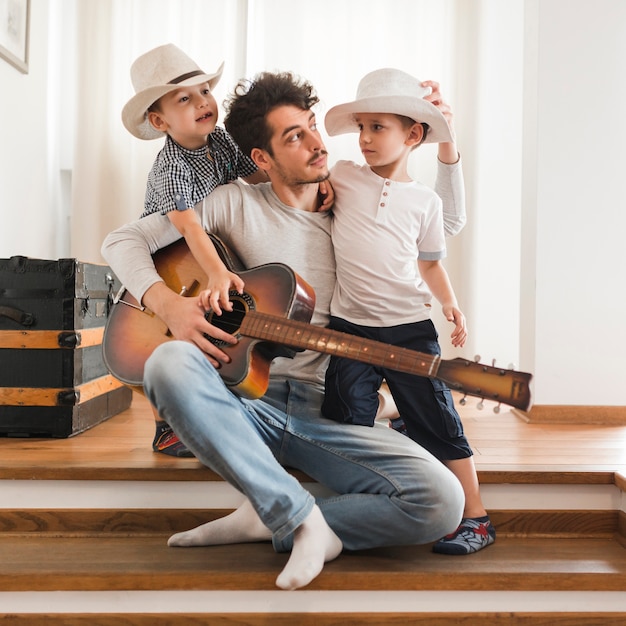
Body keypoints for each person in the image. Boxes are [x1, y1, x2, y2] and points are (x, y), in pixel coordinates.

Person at [102, 71, 464, 591]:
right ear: (262, 160)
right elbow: (121, 241)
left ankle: (274, 516)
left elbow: (440, 222)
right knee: (166, 361)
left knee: (442, 501)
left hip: (329, 409)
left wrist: (443, 136)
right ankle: (296, 516)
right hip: (250, 402)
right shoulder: (231, 203)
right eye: (294, 136)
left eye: (312, 126)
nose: (318, 143)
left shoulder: (353, 201)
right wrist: (168, 306)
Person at [121, 44, 331, 457]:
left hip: (211, 237)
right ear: (160, 120)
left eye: (204, 91)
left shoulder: (219, 141)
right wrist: (216, 273)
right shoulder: (172, 169)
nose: (203, 102)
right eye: (185, 98)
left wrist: (312, 177)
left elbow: (260, 170)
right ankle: (166, 421)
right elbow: (190, 229)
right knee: (175, 338)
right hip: (177, 252)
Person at [322, 68, 495, 556]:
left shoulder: (425, 202)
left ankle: (476, 517)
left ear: (413, 134)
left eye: (378, 127)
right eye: (361, 127)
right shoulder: (342, 176)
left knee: (438, 419)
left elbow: (431, 263)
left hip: (408, 330)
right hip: (350, 328)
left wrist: (451, 303)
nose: (365, 138)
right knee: (343, 411)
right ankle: (374, 487)